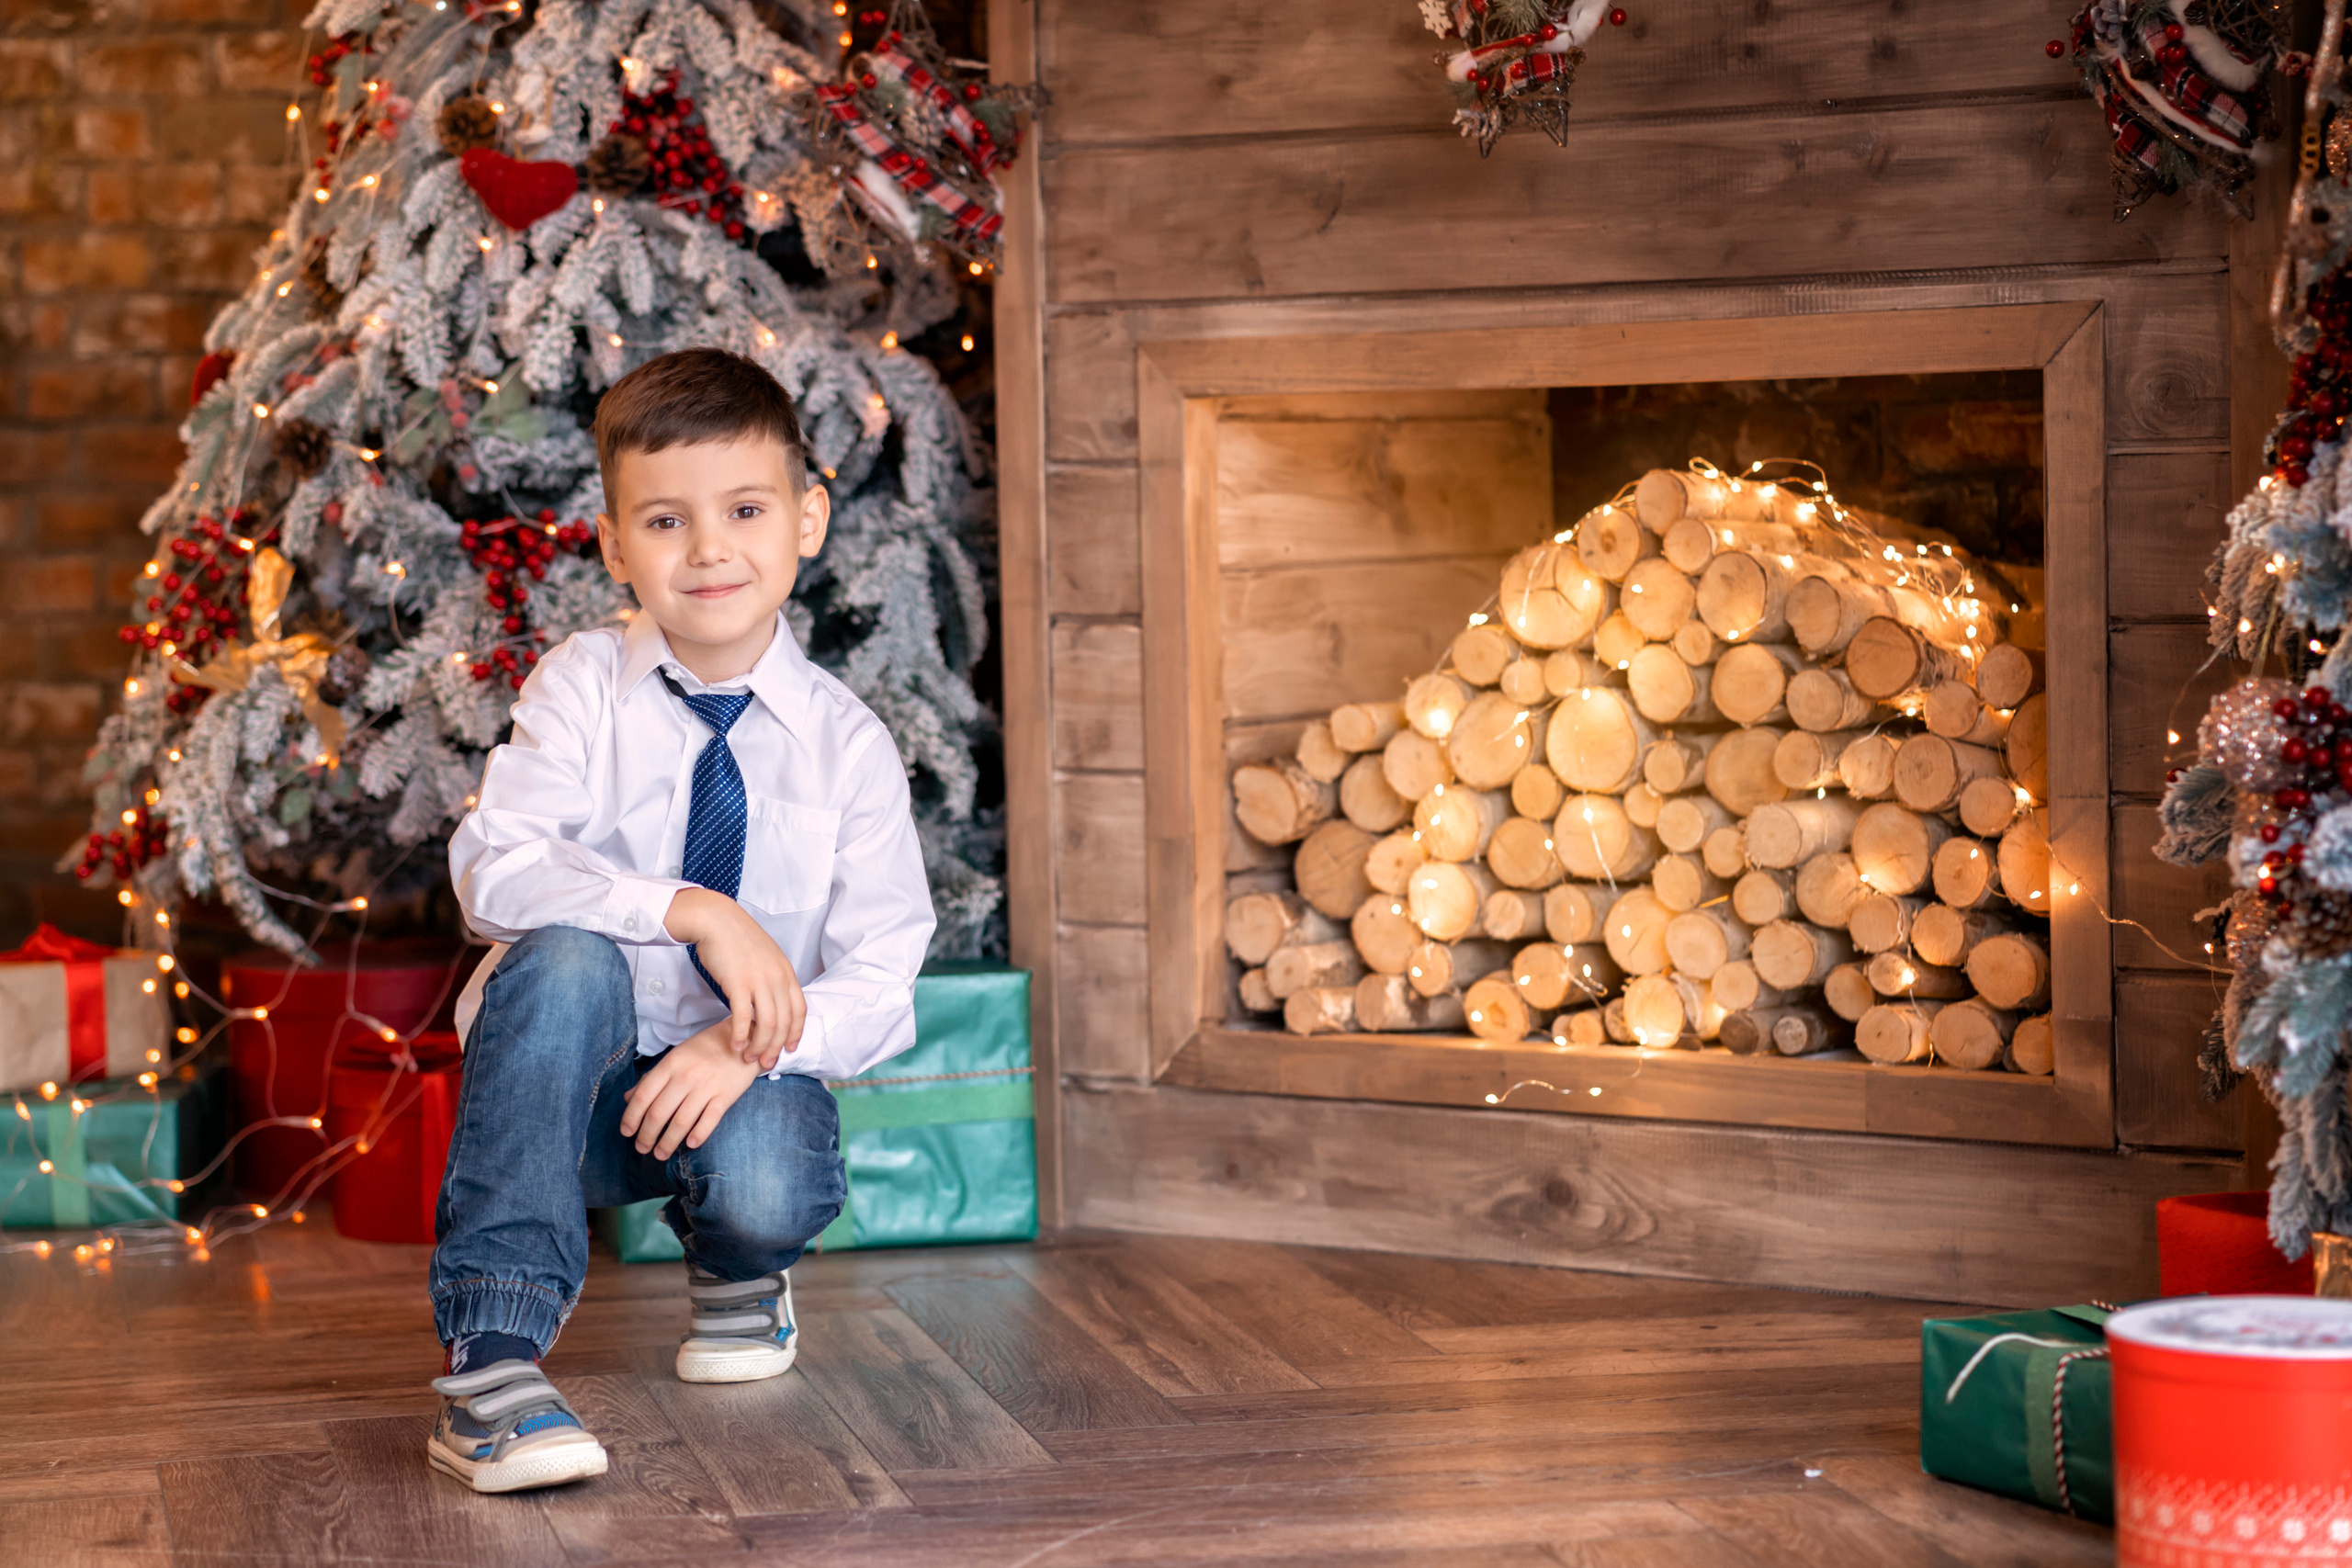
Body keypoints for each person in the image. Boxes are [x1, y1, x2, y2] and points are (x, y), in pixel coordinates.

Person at [422, 347, 935, 1493]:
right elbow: (492, 872)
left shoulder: (848, 746)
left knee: (767, 1185)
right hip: (566, 1093)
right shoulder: (583, 683)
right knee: (558, 959)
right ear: (614, 546)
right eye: (664, 520)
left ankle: (745, 1269)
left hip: (735, 1088)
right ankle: (491, 1360)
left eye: (744, 510)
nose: (708, 549)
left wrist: (742, 1043)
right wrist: (690, 910)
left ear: (806, 519)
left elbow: (885, 976)